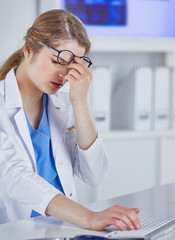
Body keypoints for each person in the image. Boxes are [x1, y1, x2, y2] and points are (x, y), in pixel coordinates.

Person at [0, 9, 141, 231]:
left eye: (73, 65)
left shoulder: (63, 104)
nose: (65, 75)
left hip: (62, 228)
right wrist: (88, 218)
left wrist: (80, 103)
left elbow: (94, 174)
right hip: (14, 230)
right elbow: (13, 175)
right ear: (28, 51)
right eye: (60, 60)